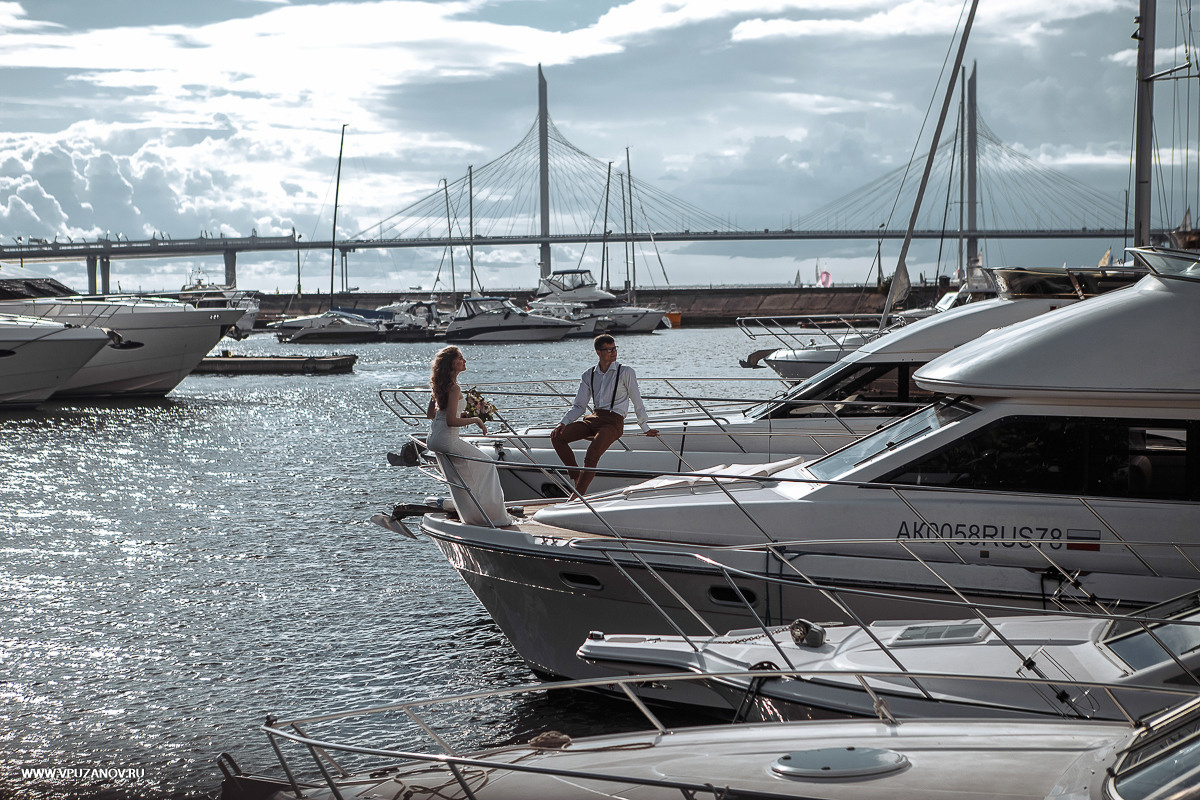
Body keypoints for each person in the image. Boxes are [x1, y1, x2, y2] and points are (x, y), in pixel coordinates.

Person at [551, 334, 659, 495]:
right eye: (608, 349)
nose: (613, 352)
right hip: (594, 418)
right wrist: (563, 422)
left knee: (592, 453)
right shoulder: (589, 375)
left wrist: (644, 426)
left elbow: (637, 400)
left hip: (613, 422)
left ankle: (577, 495)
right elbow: (579, 406)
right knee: (557, 436)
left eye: (614, 348)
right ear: (598, 352)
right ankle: (576, 476)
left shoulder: (626, 372)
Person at [426, 345, 513, 527]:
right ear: (453, 363)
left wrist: (460, 415)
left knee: (463, 477)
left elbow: (432, 414)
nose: (465, 361)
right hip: (447, 440)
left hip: (434, 438)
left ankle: (473, 512)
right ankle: (491, 516)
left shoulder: (439, 383)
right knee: (488, 465)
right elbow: (450, 421)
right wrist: (475, 420)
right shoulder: (454, 388)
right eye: (461, 358)